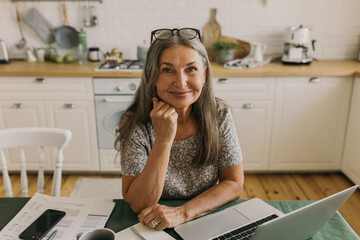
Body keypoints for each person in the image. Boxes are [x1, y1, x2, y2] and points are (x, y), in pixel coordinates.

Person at [115, 28, 244, 231]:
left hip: (204, 216)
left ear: (204, 74)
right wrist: (164, 139)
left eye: (191, 69)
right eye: (167, 70)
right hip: (152, 225)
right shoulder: (136, 123)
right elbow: (138, 204)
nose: (181, 82)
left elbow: (233, 183)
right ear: (153, 77)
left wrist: (183, 212)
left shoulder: (219, 114)